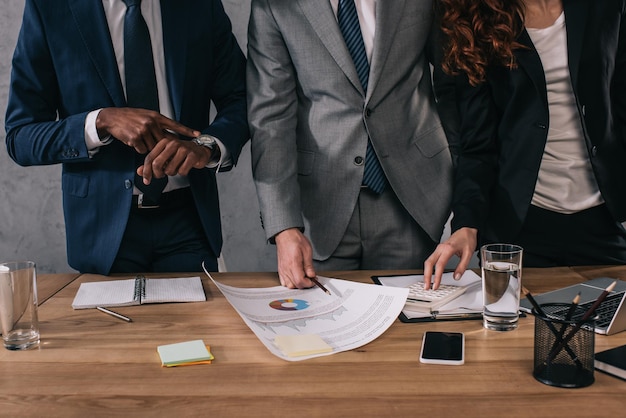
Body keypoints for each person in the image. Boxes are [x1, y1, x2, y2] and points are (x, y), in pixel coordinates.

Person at [5, 0, 248, 275]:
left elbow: (240, 98)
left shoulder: (199, 5)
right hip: (102, 230)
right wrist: (100, 122)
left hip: (188, 219)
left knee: (200, 319)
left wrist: (205, 147)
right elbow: (21, 136)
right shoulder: (49, 7)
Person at [247, 0, 455, 289]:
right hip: (319, 209)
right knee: (324, 329)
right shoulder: (274, 5)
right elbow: (271, 119)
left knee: (406, 325)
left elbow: (458, 78)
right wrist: (284, 227)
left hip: (409, 199)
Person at [424, 0, 626, 289]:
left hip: (602, 220)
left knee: (613, 330)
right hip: (520, 228)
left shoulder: (605, 6)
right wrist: (466, 223)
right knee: (514, 332)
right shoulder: (476, 22)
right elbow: (478, 147)